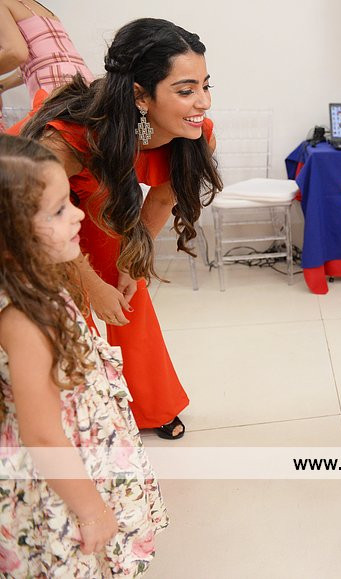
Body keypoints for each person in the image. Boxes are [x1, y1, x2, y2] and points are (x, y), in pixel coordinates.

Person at [16, 18, 223, 438]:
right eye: (186, 91)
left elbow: (161, 198)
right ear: (140, 96)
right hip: (32, 206)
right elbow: (39, 221)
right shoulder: (66, 141)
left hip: (101, 193)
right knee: (69, 302)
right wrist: (92, 287)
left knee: (131, 290)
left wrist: (131, 262)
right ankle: (87, 411)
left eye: (206, 86)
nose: (203, 102)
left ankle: (152, 406)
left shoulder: (194, 133)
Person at [0, 134, 167, 576]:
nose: (78, 214)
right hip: (64, 471)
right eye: (58, 210)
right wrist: (91, 510)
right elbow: (42, 435)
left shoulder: (36, 284)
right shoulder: (27, 320)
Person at [0, 0, 93, 98]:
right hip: (85, 82)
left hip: (57, 87)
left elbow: (15, 53)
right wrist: (2, 86)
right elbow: (39, 63)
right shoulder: (38, 8)